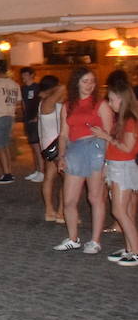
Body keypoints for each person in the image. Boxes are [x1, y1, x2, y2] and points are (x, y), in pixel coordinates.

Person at [53, 67, 114, 254]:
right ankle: (73, 238)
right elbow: (63, 134)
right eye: (85, 81)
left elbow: (110, 133)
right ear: (77, 82)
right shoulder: (68, 105)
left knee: (95, 197)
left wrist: (108, 161)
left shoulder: (101, 104)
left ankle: (95, 240)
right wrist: (61, 156)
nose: (89, 85)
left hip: (96, 149)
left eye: (92, 81)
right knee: (69, 200)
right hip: (75, 150)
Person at [95, 76, 138, 266]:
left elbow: (128, 148)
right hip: (117, 166)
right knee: (126, 211)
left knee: (119, 211)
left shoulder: (129, 120)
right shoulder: (122, 119)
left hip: (123, 167)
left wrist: (106, 137)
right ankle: (130, 248)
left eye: (112, 99)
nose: (110, 103)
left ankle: (135, 251)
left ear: (121, 98)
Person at [36, 75, 66, 223]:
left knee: (49, 177)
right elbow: (63, 88)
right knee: (67, 179)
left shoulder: (47, 103)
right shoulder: (48, 102)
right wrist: (52, 90)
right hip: (56, 146)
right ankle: (61, 212)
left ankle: (50, 211)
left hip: (49, 145)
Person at [0, 59, 21, 184]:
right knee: (5, 145)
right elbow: (18, 102)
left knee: (0, 146)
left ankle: (7, 174)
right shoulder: (15, 85)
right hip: (9, 116)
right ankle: (9, 171)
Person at [20, 67, 44, 182]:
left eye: (25, 75)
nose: (23, 77)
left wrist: (37, 117)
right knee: (33, 146)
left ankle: (42, 171)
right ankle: (37, 170)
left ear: (31, 75)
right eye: (22, 75)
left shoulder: (38, 88)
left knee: (37, 146)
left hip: (35, 120)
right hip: (27, 119)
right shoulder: (23, 88)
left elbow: (42, 103)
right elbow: (23, 103)